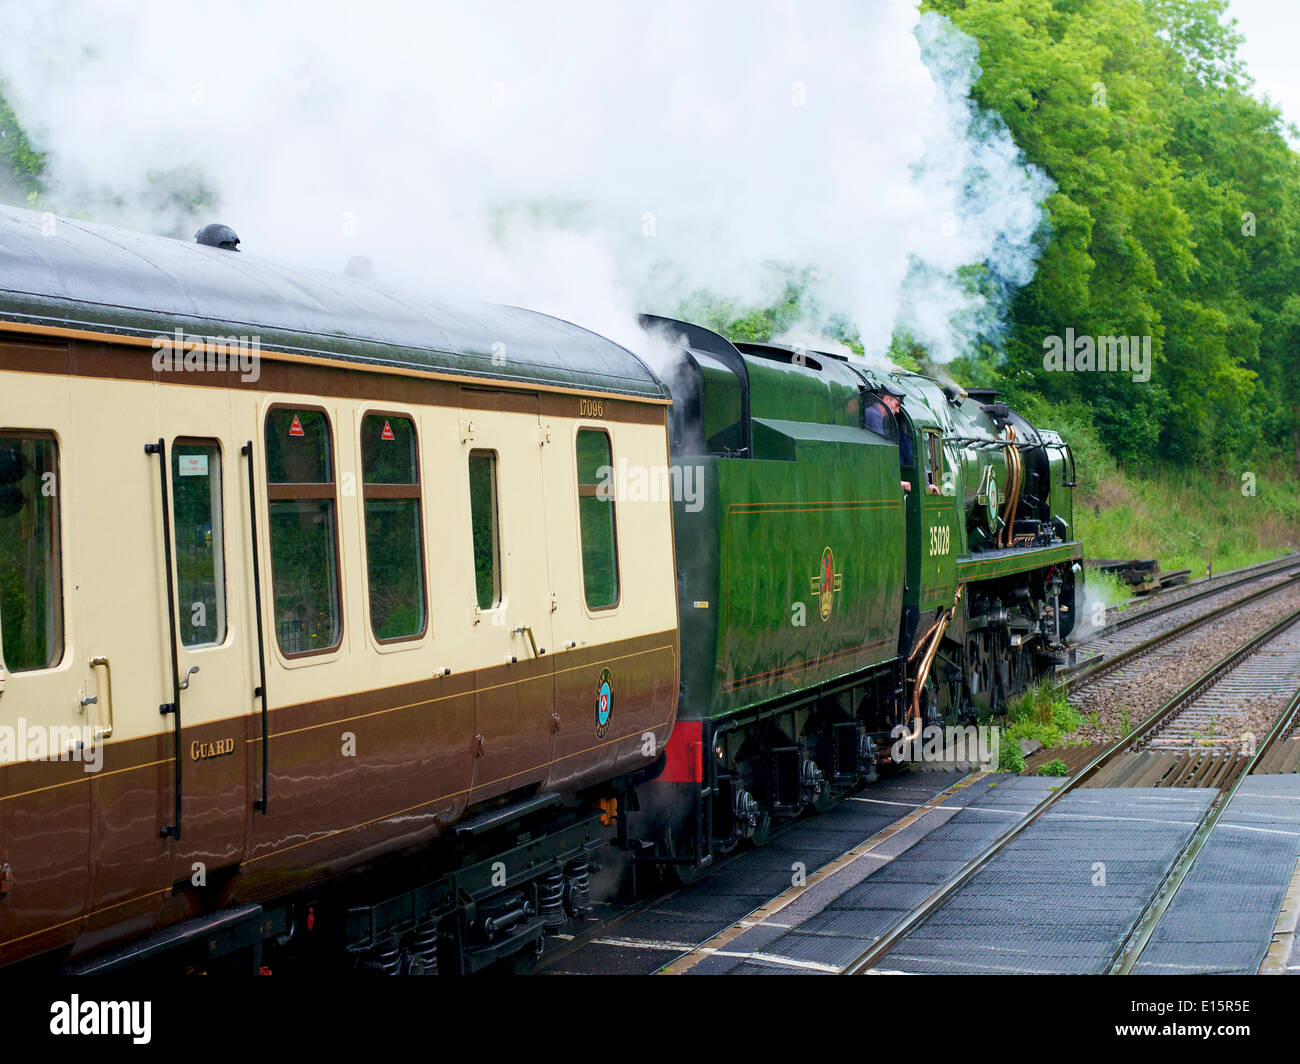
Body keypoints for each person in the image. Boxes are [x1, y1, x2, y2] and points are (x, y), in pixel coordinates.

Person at [864, 385, 913, 493]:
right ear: (886, 399)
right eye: (896, 405)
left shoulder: (877, 416)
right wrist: (895, 481)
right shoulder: (873, 415)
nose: (898, 411)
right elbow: (877, 453)